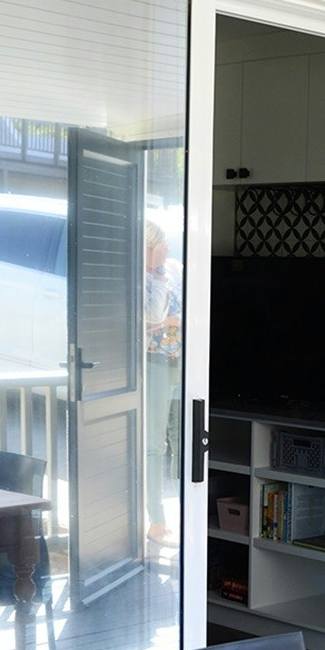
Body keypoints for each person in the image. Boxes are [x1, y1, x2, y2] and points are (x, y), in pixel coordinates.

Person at [144, 221, 183, 551]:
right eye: (161, 245)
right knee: (155, 444)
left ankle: (187, 515)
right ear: (147, 248)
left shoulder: (175, 268)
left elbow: (186, 312)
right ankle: (156, 520)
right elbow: (152, 316)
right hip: (154, 361)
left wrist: (164, 322)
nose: (168, 249)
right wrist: (158, 279)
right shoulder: (141, 277)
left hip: (181, 360)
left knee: (182, 439)